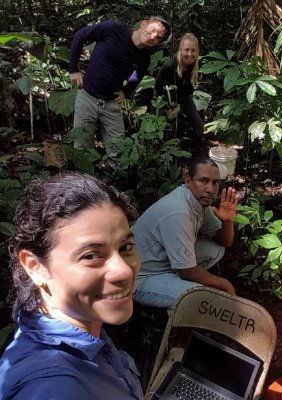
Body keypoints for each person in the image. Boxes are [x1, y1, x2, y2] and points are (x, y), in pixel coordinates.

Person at [0, 172, 143, 400]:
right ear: (36, 267)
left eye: (126, 247)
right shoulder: (56, 388)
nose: (124, 271)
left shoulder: (83, 328)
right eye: (91, 255)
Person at [132, 156, 240, 308]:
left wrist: (228, 221)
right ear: (188, 180)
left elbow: (225, 242)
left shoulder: (198, 202)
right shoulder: (178, 212)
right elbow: (187, 272)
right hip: (140, 276)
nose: (210, 189)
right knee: (197, 297)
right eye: (203, 181)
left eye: (215, 182)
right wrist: (224, 284)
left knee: (215, 249)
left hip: (166, 263)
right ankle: (171, 322)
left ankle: (175, 290)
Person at [69, 16, 171, 164]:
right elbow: (80, 35)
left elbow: (137, 75)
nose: (153, 36)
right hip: (87, 97)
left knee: (119, 151)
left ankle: (115, 182)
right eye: (153, 30)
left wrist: (126, 91)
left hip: (111, 103)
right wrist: (73, 69)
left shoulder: (144, 58)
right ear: (144, 24)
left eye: (158, 38)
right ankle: (83, 184)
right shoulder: (112, 29)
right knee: (82, 148)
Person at [155, 33, 211, 153]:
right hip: (165, 100)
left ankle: (201, 145)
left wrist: (180, 105)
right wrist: (168, 107)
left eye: (193, 50)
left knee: (198, 123)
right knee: (164, 128)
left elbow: (189, 89)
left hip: (183, 98)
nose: (190, 54)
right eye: (186, 50)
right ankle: (164, 152)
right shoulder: (169, 65)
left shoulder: (195, 65)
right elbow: (157, 87)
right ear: (181, 50)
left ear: (197, 52)